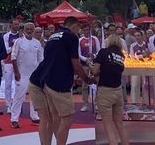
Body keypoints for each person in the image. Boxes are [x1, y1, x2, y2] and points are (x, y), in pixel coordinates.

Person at [28, 17, 91, 145]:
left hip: (39, 79)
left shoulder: (53, 36)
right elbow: (76, 64)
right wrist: (87, 79)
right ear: (75, 25)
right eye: (79, 28)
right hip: (55, 82)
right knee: (66, 118)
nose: (79, 31)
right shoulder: (71, 37)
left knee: (50, 118)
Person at [91, 34, 128, 145]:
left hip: (105, 91)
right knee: (119, 123)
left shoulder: (103, 52)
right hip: (118, 91)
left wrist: (89, 64)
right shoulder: (121, 56)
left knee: (108, 124)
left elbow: (95, 71)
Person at [10, 22, 43, 127]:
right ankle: (14, 119)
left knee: (35, 97)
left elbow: (41, 59)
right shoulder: (18, 42)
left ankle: (35, 117)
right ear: (24, 30)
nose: (29, 31)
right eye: (27, 29)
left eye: (31, 29)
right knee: (19, 97)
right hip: (21, 74)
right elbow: (13, 57)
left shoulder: (37, 43)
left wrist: (40, 74)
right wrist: (16, 72)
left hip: (34, 75)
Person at [78, 23, 100, 112]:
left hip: (94, 64)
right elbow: (78, 53)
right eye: (85, 30)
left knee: (96, 83)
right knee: (85, 85)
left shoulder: (94, 39)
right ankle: (85, 103)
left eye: (88, 30)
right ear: (82, 31)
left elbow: (99, 50)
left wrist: (93, 56)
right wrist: (86, 59)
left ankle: (97, 103)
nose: (86, 31)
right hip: (85, 65)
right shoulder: (80, 40)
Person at [2, 19, 21, 114]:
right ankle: (8, 105)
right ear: (11, 25)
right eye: (15, 24)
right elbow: (6, 50)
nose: (17, 25)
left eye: (18, 24)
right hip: (8, 62)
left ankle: (16, 104)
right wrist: (15, 45)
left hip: (18, 63)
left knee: (19, 84)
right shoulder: (6, 36)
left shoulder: (21, 35)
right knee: (8, 84)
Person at [129, 30, 152, 104]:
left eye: (138, 35)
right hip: (136, 67)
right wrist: (142, 56)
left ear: (142, 36)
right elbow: (132, 57)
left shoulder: (147, 44)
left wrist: (147, 55)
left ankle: (146, 101)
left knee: (145, 84)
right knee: (135, 84)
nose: (137, 37)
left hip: (146, 66)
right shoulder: (133, 45)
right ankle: (134, 101)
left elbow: (151, 55)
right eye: (135, 36)